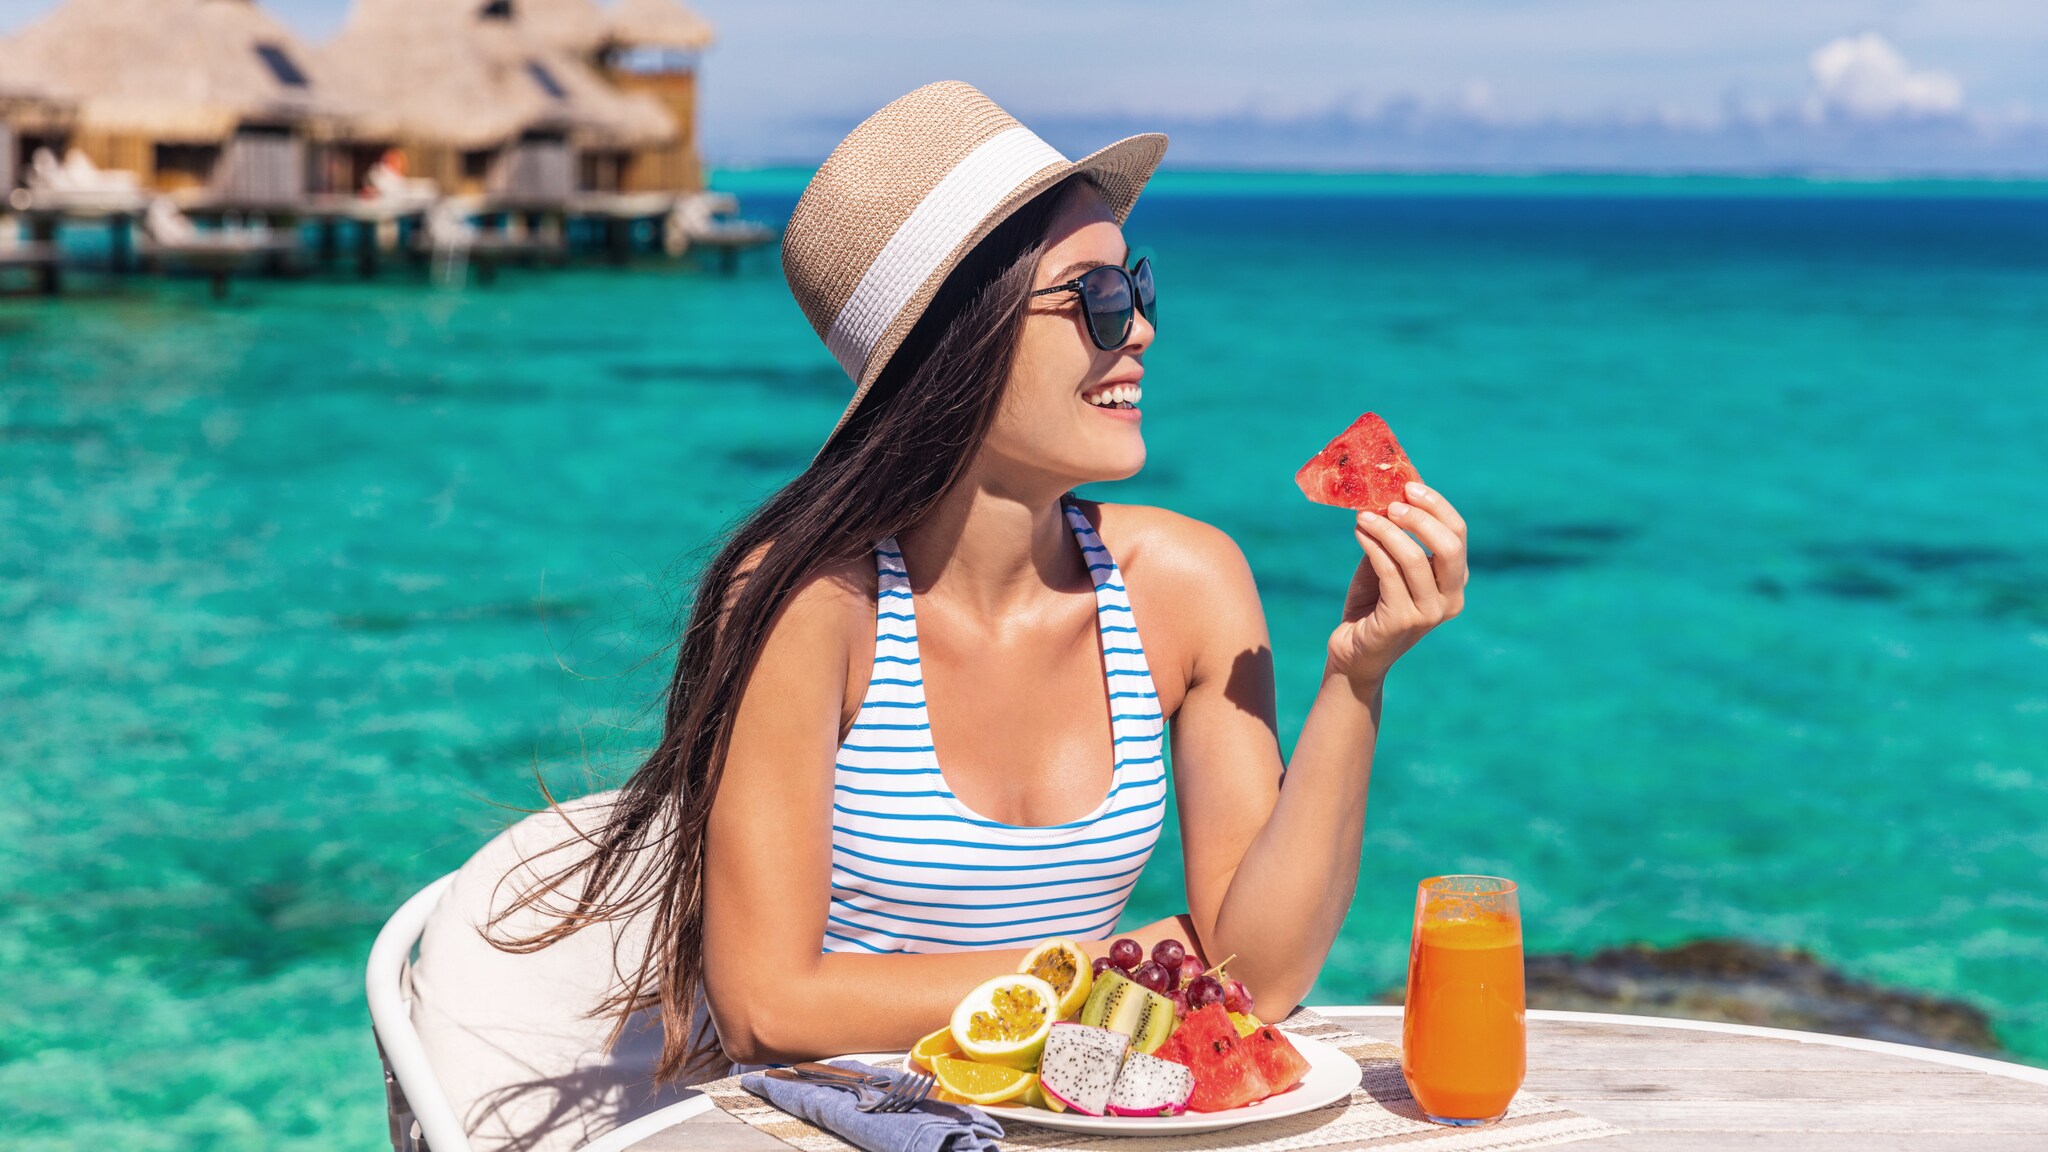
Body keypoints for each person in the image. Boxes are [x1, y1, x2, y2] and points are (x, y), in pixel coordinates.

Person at [497, 80, 1469, 1088]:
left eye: (1135, 290)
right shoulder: (810, 605)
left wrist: (1355, 678)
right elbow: (766, 1007)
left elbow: (1257, 979)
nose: (1137, 331)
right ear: (957, 343)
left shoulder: (1185, 584)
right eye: (1094, 301)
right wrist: (1107, 965)